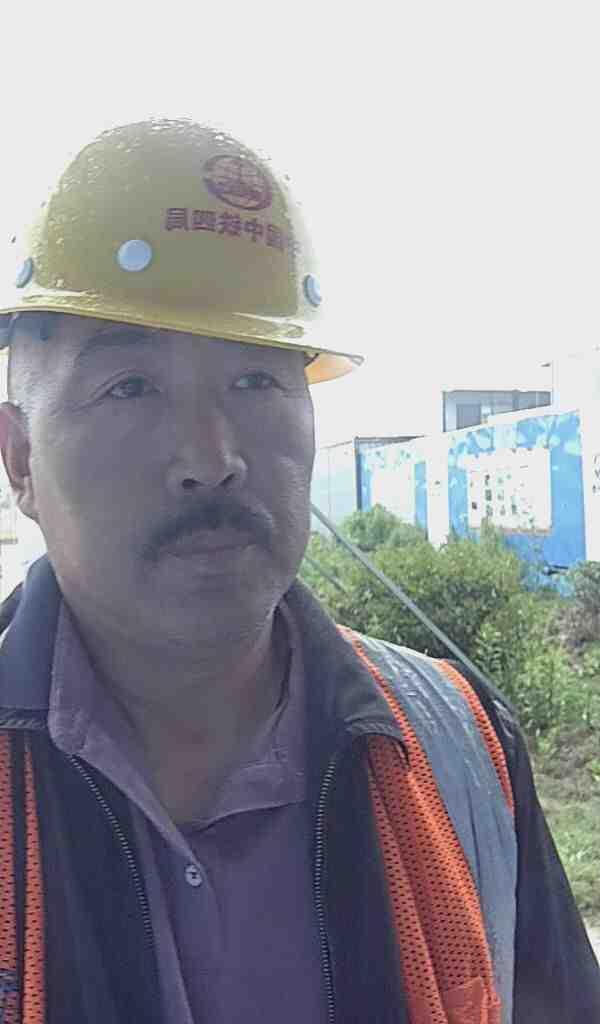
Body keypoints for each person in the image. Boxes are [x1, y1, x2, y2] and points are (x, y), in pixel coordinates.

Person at [0, 120, 597, 1024]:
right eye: (131, 388)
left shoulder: (459, 746)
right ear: (20, 459)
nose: (212, 459)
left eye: (257, 382)